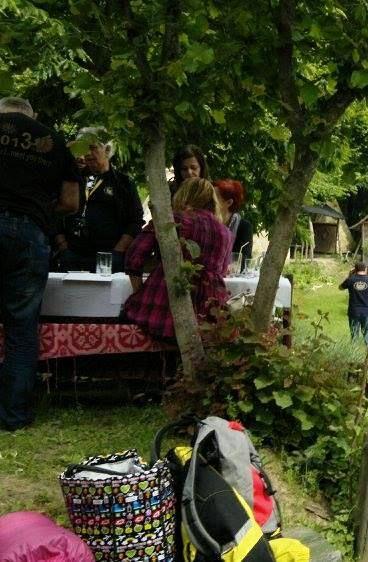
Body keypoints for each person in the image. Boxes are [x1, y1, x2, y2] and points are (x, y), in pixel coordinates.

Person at [0, 97, 80, 430]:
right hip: (29, 234)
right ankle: (13, 416)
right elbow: (71, 202)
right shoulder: (54, 141)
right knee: (21, 328)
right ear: (32, 117)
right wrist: (39, 209)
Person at [122, 178, 232, 339]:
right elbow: (222, 271)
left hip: (166, 304)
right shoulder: (225, 232)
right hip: (208, 308)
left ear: (183, 195)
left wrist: (138, 292)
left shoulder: (174, 220)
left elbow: (135, 255)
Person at [54, 127, 142, 273]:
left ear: (107, 150)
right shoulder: (74, 179)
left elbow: (135, 220)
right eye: (84, 148)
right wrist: (63, 246)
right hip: (72, 254)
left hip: (107, 256)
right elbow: (57, 210)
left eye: (92, 148)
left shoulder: (123, 183)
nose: (87, 153)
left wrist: (118, 251)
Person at [213, 179, 253, 270]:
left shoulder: (244, 227)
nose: (209, 200)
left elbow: (244, 261)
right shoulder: (207, 223)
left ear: (229, 203)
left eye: (214, 198)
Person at [339, 262, 368, 345]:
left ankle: (354, 351)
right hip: (366, 311)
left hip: (353, 311)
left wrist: (349, 275)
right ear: (365, 269)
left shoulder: (350, 280)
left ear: (355, 269)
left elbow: (340, 288)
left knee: (354, 334)